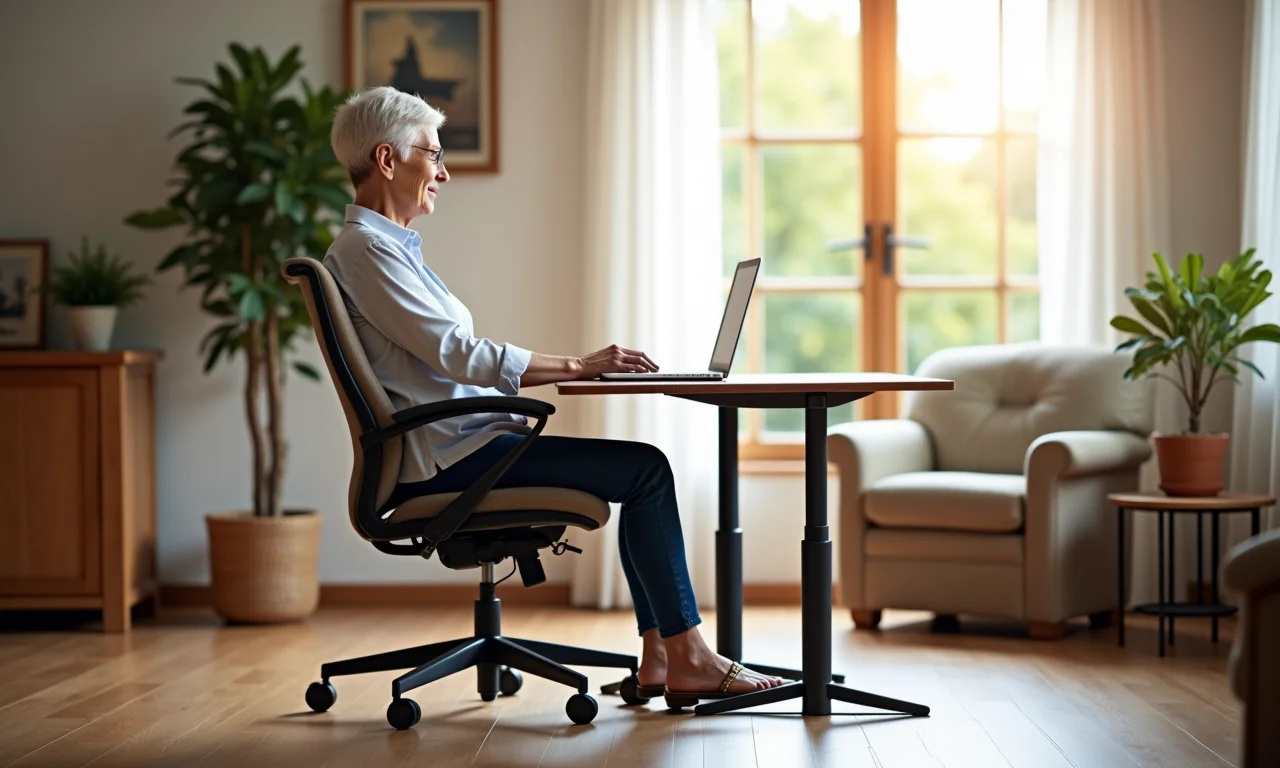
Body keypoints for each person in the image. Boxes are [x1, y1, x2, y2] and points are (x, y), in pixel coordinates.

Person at [322, 87, 785, 702]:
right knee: (645, 471)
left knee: (641, 471)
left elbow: (450, 355)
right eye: (433, 154)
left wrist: (575, 370)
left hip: (459, 447)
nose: (444, 172)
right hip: (451, 462)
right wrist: (579, 365)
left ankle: (663, 656)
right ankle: (687, 654)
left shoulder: (384, 250)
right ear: (387, 159)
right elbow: (459, 353)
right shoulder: (368, 252)